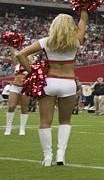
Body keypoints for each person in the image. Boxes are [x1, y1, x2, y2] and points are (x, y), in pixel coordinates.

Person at [16, 10, 89, 166]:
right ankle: (61, 154)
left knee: (45, 121)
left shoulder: (46, 41)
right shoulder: (76, 41)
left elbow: (20, 54)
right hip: (68, 83)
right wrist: (84, 7)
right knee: (65, 120)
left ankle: (47, 156)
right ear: (71, 27)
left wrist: (33, 72)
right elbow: (83, 21)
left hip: (49, 82)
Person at [3, 52, 29, 136]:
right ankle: (8, 127)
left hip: (25, 87)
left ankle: (22, 128)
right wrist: (12, 45)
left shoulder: (30, 65)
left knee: (24, 107)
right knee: (11, 106)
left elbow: (31, 55)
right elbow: (13, 54)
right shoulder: (17, 65)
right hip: (15, 86)